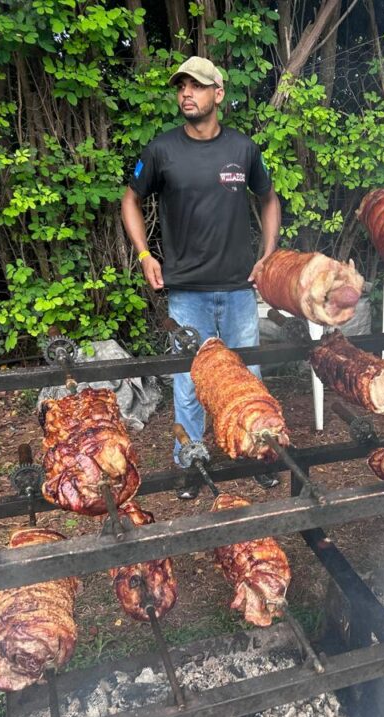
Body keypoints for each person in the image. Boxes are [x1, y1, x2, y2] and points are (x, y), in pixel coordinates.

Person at [121, 56, 282, 499]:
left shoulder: (243, 150)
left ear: (218, 93)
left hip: (237, 290)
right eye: (181, 87)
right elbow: (130, 201)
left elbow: (269, 199)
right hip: (186, 291)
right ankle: (190, 465)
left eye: (196, 86)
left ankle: (261, 452)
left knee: (248, 376)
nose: (186, 93)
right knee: (189, 384)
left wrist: (267, 255)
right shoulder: (161, 150)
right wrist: (143, 254)